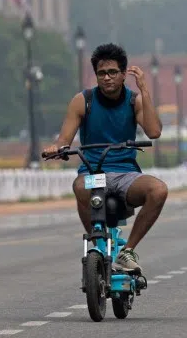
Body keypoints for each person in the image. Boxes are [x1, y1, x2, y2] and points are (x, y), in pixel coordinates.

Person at [42, 43, 167, 274]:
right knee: (79, 187)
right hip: (93, 172)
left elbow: (154, 132)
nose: (107, 78)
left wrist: (145, 91)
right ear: (96, 75)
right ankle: (97, 244)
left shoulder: (134, 101)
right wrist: (56, 148)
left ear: (123, 74)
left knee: (158, 190)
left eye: (113, 72)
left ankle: (127, 251)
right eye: (102, 73)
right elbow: (64, 139)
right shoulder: (83, 101)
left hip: (126, 174)